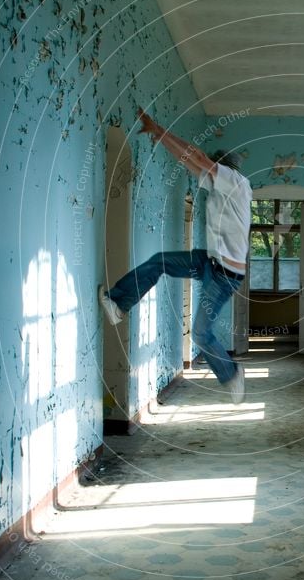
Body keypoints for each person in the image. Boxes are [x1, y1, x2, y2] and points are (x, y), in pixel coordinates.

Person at [99, 108, 251, 403]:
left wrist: (161, 128)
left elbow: (197, 157)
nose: (207, 173)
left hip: (224, 276)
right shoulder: (222, 187)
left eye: (213, 168)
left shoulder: (235, 182)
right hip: (209, 263)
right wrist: (158, 134)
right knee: (160, 261)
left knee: (201, 334)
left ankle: (231, 373)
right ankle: (119, 302)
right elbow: (189, 161)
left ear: (224, 169)